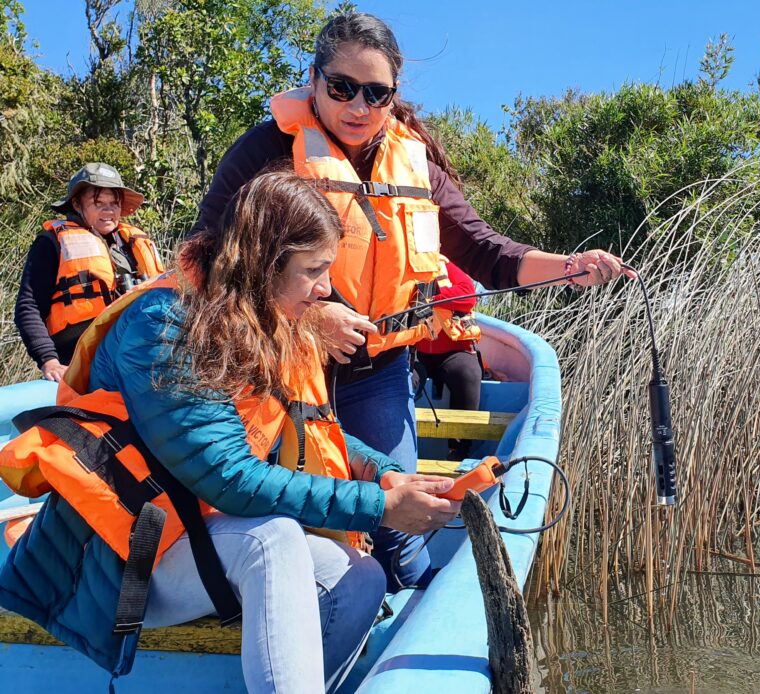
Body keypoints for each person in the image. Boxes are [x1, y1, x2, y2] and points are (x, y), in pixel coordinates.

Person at [192, 11, 634, 587]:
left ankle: (402, 615)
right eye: (342, 88)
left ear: (394, 94)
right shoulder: (266, 150)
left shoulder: (415, 160)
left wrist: (570, 266)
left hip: (377, 368)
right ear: (314, 77)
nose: (358, 106)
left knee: (399, 528)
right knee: (290, 512)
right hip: (281, 368)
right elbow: (207, 254)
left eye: (376, 94)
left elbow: (484, 249)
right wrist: (309, 315)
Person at [0, 171, 461, 693]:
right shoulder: (164, 325)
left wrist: (384, 472)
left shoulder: (253, 312)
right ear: (264, 263)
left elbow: (302, 427)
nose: (327, 289)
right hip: (122, 555)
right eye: (314, 270)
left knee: (358, 578)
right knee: (274, 540)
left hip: (196, 531)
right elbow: (229, 478)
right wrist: (379, 505)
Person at [15, 163, 164, 382]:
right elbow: (29, 306)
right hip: (80, 359)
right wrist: (50, 361)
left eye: (114, 203)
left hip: (138, 353)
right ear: (76, 204)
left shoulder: (130, 243)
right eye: (98, 203)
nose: (109, 211)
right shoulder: (52, 242)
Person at [415, 260, 484, 461]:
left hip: (454, 351)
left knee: (467, 373)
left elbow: (467, 295)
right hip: (414, 351)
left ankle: (460, 450)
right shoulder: (400, 266)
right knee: (402, 379)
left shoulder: (446, 266)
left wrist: (432, 299)